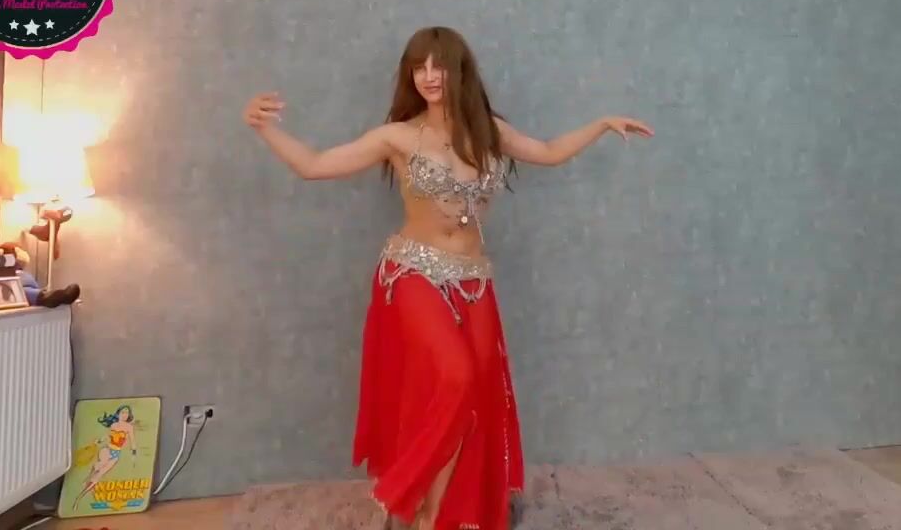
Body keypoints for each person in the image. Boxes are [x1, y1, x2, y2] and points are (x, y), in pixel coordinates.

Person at [243, 26, 652, 530]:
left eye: (438, 65)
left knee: (475, 396)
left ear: (460, 70)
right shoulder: (397, 136)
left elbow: (547, 151)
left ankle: (439, 515)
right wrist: (265, 129)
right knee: (455, 378)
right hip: (413, 270)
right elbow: (315, 165)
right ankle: (406, 496)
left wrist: (601, 124)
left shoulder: (488, 130)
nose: (429, 76)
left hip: (474, 278)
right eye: (419, 67)